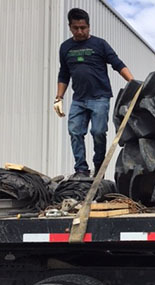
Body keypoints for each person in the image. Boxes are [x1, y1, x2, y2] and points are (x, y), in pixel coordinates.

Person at [54, 8, 134, 178]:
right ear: (70, 27)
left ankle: (99, 166)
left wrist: (133, 83)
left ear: (89, 26)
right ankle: (81, 169)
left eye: (83, 27)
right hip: (79, 100)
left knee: (98, 132)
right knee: (75, 132)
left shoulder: (100, 44)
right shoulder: (66, 47)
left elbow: (117, 64)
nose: (80, 31)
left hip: (100, 98)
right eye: (76, 28)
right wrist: (58, 97)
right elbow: (64, 74)